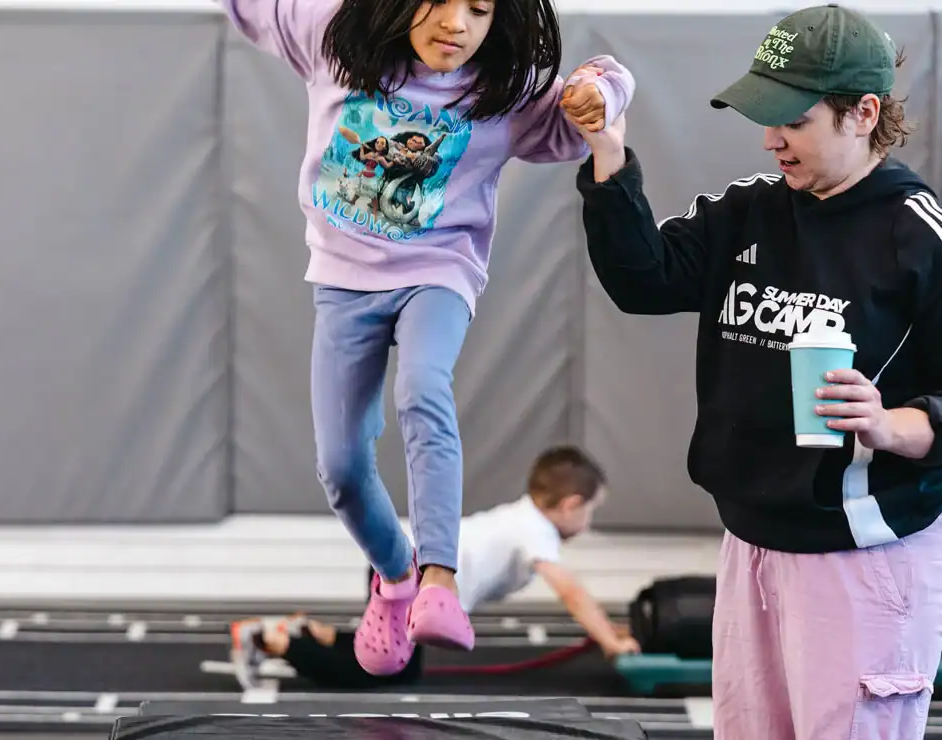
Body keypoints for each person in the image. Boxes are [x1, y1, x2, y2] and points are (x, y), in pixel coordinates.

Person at [221, 0, 636, 676]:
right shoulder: (332, 36)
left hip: (437, 273)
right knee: (342, 465)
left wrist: (599, 92)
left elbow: (605, 81)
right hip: (343, 281)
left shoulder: (501, 88)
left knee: (422, 388)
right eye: (441, 3)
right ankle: (396, 578)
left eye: (478, 9)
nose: (458, 25)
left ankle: (440, 580)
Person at [569, 4, 942, 738]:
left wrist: (893, 425)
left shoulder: (916, 235)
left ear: (861, 113)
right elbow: (641, 281)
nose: (771, 139)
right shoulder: (747, 211)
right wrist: (608, 150)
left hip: (861, 556)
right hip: (750, 543)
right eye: (763, 117)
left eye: (792, 120)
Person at [230, 446, 641, 689]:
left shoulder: (523, 519)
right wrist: (609, 641)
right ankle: (272, 640)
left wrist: (609, 631)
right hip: (408, 576)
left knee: (388, 656)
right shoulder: (536, 532)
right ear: (570, 505)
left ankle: (308, 632)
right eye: (589, 512)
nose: (587, 523)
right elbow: (570, 592)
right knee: (390, 674)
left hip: (403, 567)